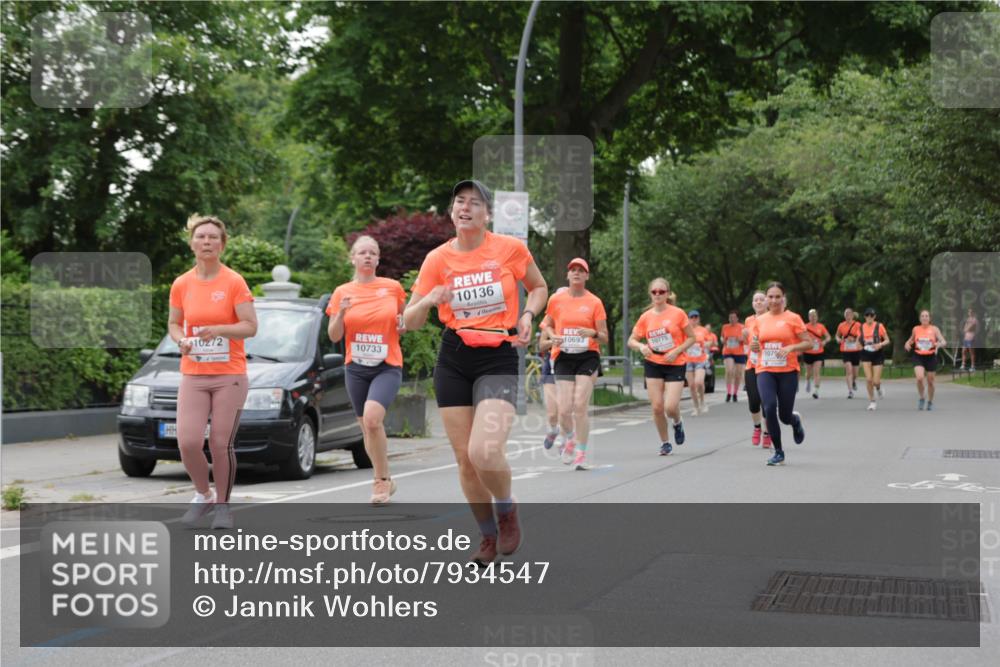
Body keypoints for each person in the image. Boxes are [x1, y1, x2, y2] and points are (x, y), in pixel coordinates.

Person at [404, 179, 547, 566]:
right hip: (454, 356)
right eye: (459, 202)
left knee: (484, 451)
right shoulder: (437, 260)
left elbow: (538, 287)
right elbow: (409, 320)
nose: (465, 207)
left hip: (498, 355)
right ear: (452, 212)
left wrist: (528, 315)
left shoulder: (509, 249)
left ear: (488, 215)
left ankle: (506, 508)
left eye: (474, 203)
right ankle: (487, 536)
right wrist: (428, 300)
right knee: (465, 460)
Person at [169, 214, 257, 529]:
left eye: (213, 237)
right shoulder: (182, 283)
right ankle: (203, 494)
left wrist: (219, 329)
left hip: (229, 375)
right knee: (188, 442)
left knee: (220, 443)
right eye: (201, 236)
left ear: (222, 244)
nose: (206, 242)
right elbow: (174, 323)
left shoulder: (234, 282)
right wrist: (181, 340)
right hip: (194, 373)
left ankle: (223, 507)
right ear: (192, 243)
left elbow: (250, 326)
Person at [327, 235, 407, 504]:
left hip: (387, 365)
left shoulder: (392, 288)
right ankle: (385, 477)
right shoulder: (342, 292)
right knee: (367, 428)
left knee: (373, 419)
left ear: (378, 259)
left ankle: (380, 481)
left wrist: (402, 325)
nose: (368, 256)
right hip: (356, 368)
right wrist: (341, 313)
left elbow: (402, 320)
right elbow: (334, 335)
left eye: (373, 253)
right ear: (353, 258)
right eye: (362, 252)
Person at [540, 258, 608, 470]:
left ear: (587, 276)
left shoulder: (595, 302)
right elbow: (546, 324)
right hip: (564, 356)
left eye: (581, 270)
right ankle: (569, 438)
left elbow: (604, 337)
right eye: (573, 270)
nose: (576, 273)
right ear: (567, 275)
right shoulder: (556, 299)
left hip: (588, 355)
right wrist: (552, 335)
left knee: (579, 405)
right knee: (563, 410)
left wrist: (593, 333)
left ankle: (581, 453)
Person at [628, 278, 696, 456]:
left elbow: (692, 338)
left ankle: (677, 422)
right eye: (654, 292)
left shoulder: (678, 314)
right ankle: (665, 443)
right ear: (650, 294)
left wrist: (676, 351)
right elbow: (631, 340)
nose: (657, 295)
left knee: (670, 407)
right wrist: (641, 346)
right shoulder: (646, 317)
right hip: (653, 363)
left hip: (675, 362)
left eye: (661, 292)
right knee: (657, 407)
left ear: (667, 294)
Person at [749, 282, 812, 466]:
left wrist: (791, 347)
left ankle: (794, 420)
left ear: (783, 298)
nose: (774, 300)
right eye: (770, 297)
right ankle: (778, 452)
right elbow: (754, 343)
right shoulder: (759, 320)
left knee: (784, 416)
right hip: (765, 369)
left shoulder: (793, 318)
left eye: (778, 296)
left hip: (787, 371)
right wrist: (754, 345)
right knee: (769, 407)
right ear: (766, 299)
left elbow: (808, 343)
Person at [743, 291, 772, 448]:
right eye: (756, 300)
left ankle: (767, 432)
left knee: (766, 401)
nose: (759, 302)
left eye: (762, 299)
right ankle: (757, 427)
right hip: (752, 365)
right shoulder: (748, 320)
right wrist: (744, 336)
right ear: (753, 303)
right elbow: (747, 342)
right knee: (754, 401)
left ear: (767, 302)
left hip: (768, 365)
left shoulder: (772, 319)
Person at [904, 310, 947, 411]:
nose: (924, 318)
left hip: (931, 356)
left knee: (930, 382)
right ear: (920, 319)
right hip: (918, 356)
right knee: (919, 378)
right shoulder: (916, 329)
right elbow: (911, 340)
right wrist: (907, 344)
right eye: (922, 316)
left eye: (926, 316)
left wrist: (939, 344)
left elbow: (944, 342)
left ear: (929, 318)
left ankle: (930, 401)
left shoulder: (934, 329)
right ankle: (922, 397)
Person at [859, 307, 891, 411]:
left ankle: (878, 387)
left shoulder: (879, 326)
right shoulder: (861, 327)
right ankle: (872, 401)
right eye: (867, 315)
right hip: (866, 354)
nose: (869, 317)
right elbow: (858, 340)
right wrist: (859, 346)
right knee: (869, 379)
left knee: (876, 381)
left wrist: (880, 344)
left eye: (871, 315)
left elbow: (887, 340)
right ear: (864, 317)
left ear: (874, 317)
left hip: (877, 354)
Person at [684, 310, 711, 415]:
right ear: (688, 319)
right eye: (692, 317)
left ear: (699, 319)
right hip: (688, 360)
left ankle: (702, 401)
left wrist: (706, 344)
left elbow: (710, 341)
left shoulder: (703, 330)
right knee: (691, 385)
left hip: (700, 359)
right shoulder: (685, 330)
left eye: (696, 317)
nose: (694, 319)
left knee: (699, 382)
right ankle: (696, 407)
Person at [802, 309, 831, 399]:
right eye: (811, 316)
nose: (813, 318)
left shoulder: (821, 326)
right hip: (807, 352)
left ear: (817, 317)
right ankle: (807, 380)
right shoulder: (805, 327)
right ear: (808, 317)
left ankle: (816, 391)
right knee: (808, 372)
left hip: (818, 352)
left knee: (816, 371)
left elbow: (828, 337)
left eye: (814, 316)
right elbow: (800, 338)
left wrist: (824, 341)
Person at [538, 329, 560, 449]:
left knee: (564, 409)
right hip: (551, 369)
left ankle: (566, 440)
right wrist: (554, 341)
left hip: (571, 368)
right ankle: (553, 431)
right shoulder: (549, 324)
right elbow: (541, 346)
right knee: (552, 413)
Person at [835, 308, 862, 399]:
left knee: (855, 373)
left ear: (852, 315)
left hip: (856, 350)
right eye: (846, 314)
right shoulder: (841, 325)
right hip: (845, 350)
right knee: (849, 370)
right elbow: (837, 335)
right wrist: (839, 340)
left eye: (849, 314)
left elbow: (860, 336)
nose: (848, 316)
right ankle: (850, 391)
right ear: (844, 316)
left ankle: (854, 381)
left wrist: (854, 340)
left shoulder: (857, 325)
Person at [721, 310, 746, 403]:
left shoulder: (742, 327)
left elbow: (746, 339)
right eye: (730, 317)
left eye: (734, 317)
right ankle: (728, 393)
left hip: (739, 352)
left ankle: (735, 393)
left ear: (737, 318)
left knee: (738, 374)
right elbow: (722, 337)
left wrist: (741, 339)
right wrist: (722, 340)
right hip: (728, 351)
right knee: (729, 371)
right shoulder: (725, 327)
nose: (732, 319)